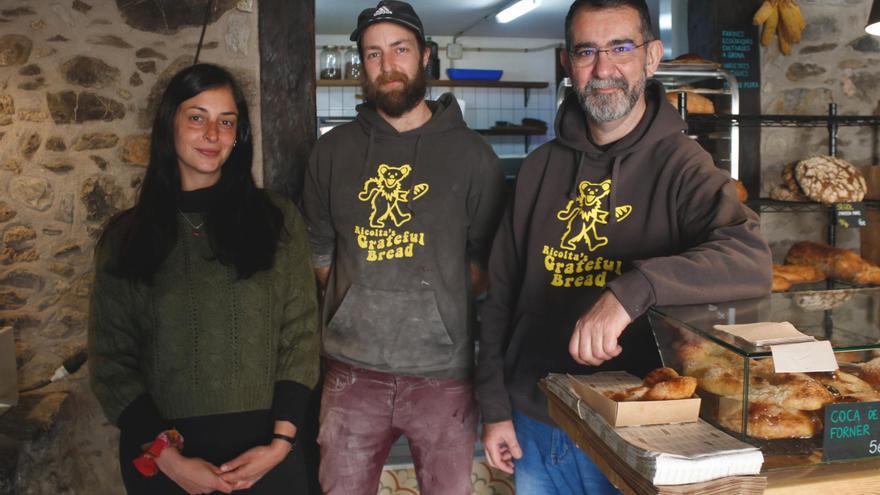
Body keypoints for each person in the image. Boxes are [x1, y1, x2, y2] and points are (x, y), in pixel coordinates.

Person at [475, 1, 772, 493]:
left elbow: (750, 258)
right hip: (535, 418)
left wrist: (629, 292)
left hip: (639, 432)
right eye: (587, 51)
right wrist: (494, 408)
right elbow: (500, 298)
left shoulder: (683, 165)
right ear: (567, 64)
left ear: (651, 57)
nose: (603, 68)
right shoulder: (537, 169)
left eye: (620, 48)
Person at [301, 1, 506, 493]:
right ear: (362, 65)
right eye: (373, 55)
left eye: (399, 50)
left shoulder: (474, 157)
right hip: (351, 375)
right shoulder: (331, 152)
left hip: (445, 376)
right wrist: (362, 306)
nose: (387, 66)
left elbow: (487, 267)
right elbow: (321, 255)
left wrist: (430, 306)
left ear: (425, 56)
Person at [88, 63, 320, 494]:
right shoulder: (126, 237)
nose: (212, 134)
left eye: (226, 122)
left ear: (239, 135)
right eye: (197, 117)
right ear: (169, 124)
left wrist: (281, 444)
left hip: (270, 453)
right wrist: (170, 461)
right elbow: (110, 362)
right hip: (167, 460)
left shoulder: (276, 219)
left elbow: (301, 335)